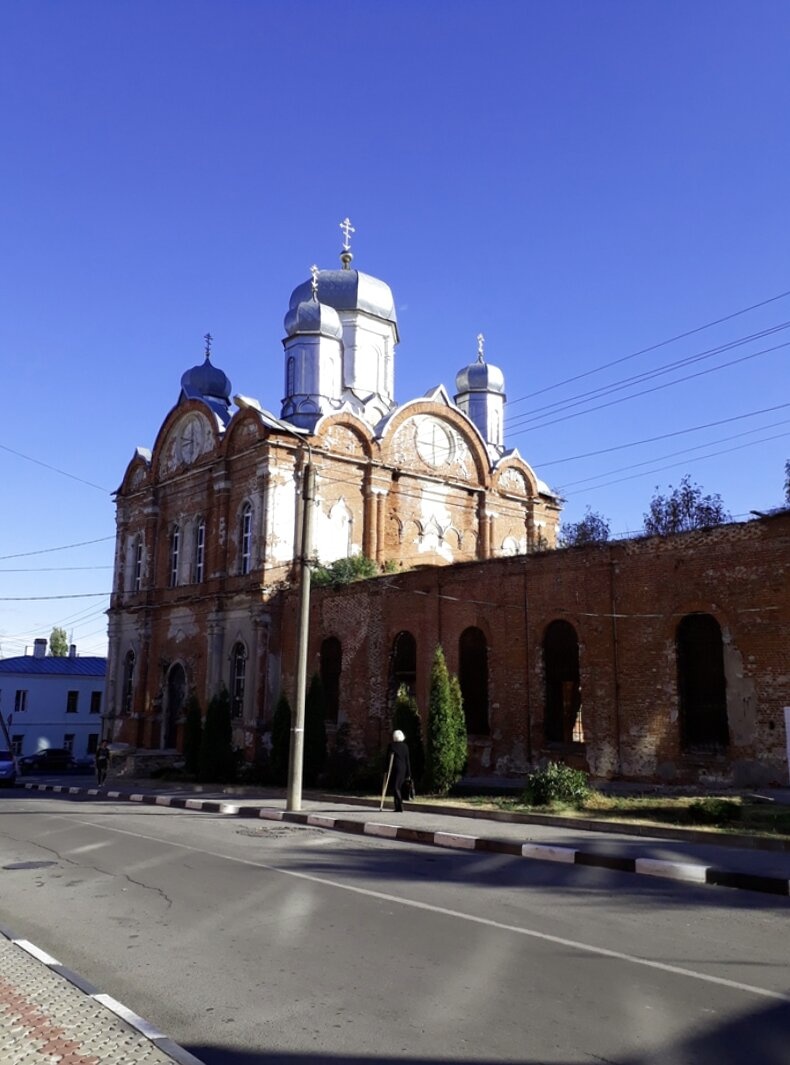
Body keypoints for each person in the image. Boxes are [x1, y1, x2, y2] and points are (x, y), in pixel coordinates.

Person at [386, 729, 412, 813]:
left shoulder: (391, 746)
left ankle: (400, 805)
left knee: (395, 787)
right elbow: (407, 760)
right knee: (398, 787)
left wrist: (385, 769)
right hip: (403, 768)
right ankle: (397, 806)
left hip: (395, 769)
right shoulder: (405, 746)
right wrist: (408, 773)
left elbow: (387, 758)